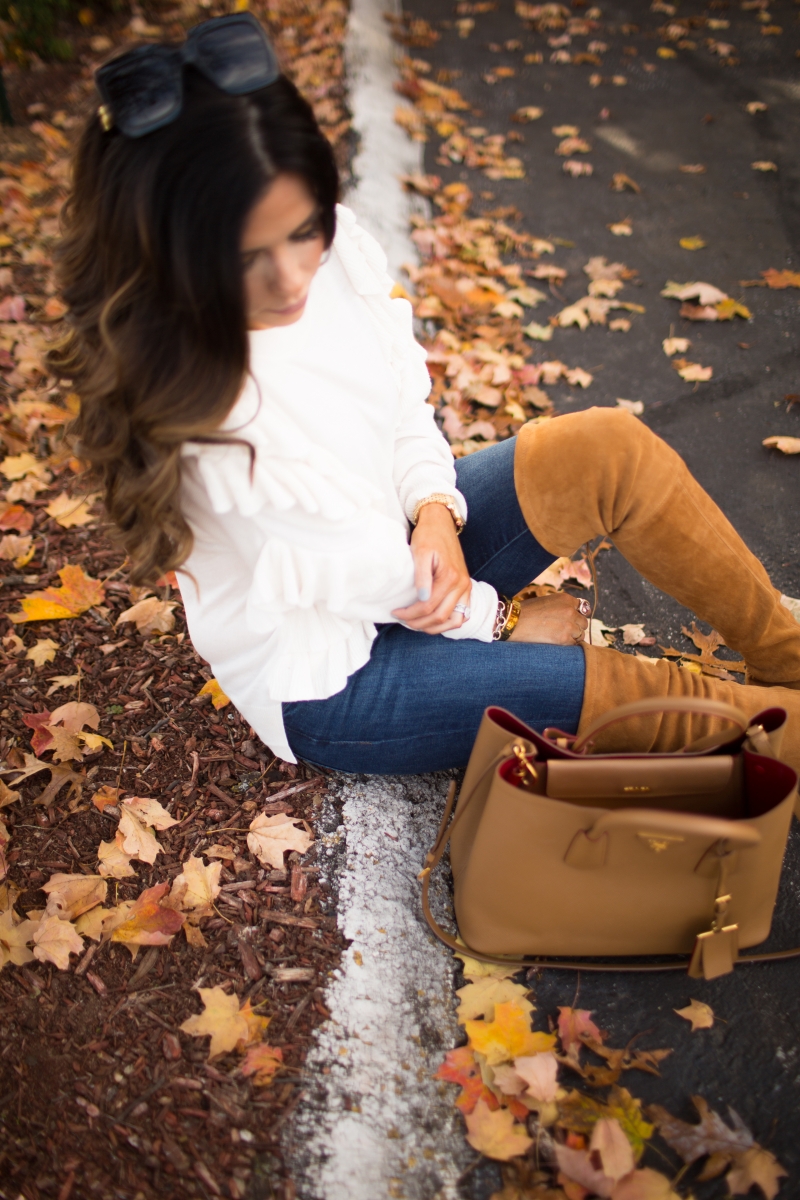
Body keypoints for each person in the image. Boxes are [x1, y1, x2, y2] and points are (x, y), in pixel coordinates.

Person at [52, 14, 800, 776]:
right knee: (633, 691)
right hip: (338, 676)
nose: (291, 276)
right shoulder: (196, 404)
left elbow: (403, 399)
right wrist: (501, 622)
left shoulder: (334, 251)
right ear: (168, 251)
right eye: (245, 257)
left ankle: (789, 653)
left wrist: (434, 510)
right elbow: (365, 573)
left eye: (302, 228)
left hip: (411, 561)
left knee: (606, 450)